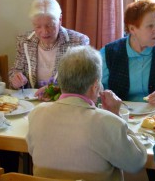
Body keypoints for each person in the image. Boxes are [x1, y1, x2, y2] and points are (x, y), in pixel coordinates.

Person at [26, 45, 147, 181]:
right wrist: (116, 115)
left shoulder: (37, 113)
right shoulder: (106, 122)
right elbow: (136, 162)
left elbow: (33, 151)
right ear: (96, 86)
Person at [100, 0, 155, 106]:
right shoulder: (108, 54)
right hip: (121, 114)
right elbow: (100, 88)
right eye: (150, 26)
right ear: (132, 29)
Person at [8, 0, 89, 91]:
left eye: (50, 25)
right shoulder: (24, 41)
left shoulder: (78, 41)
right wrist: (15, 79)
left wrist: (55, 90)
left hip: (63, 102)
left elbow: (83, 81)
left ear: (60, 20)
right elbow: (16, 70)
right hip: (31, 102)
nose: (44, 32)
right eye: (38, 26)